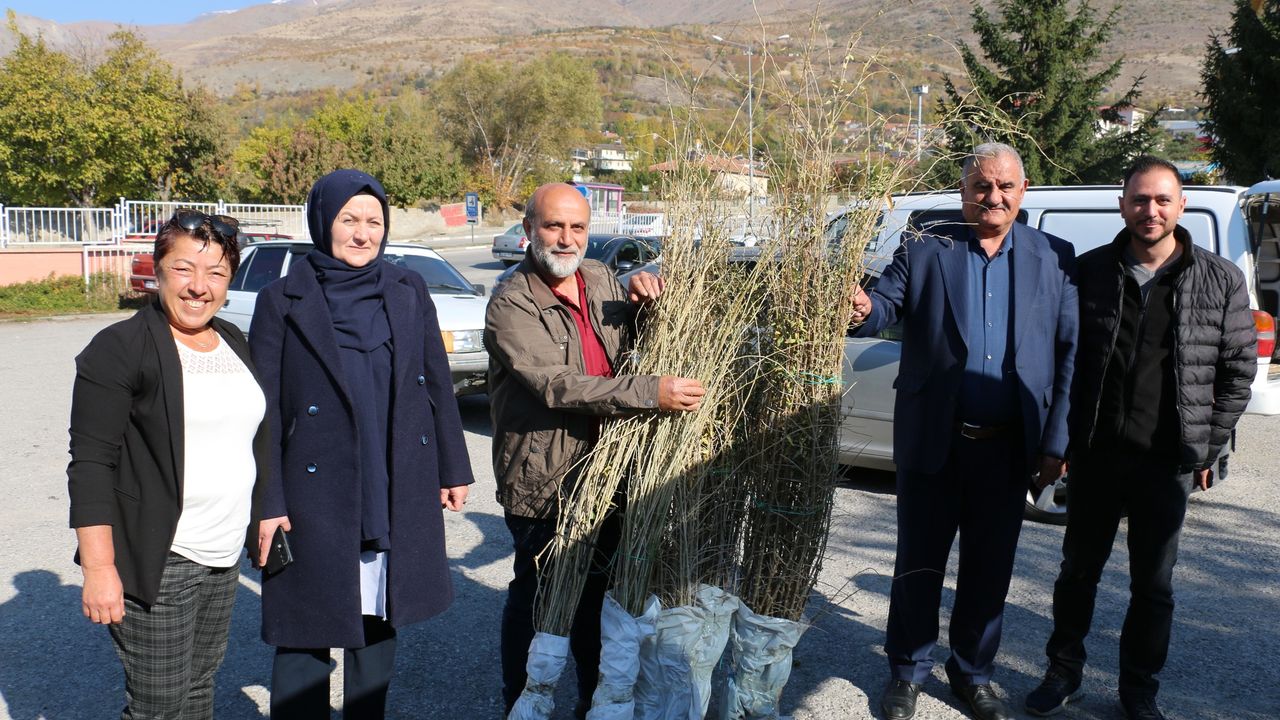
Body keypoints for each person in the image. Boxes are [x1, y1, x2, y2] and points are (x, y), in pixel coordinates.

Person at [850, 143, 1078, 720]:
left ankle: (972, 674)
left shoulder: (1054, 256)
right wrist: (858, 307)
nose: (992, 197)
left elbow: (1069, 353)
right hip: (935, 439)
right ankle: (906, 671)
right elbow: (885, 306)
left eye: (1004, 187)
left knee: (988, 569)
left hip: (1007, 447)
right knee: (919, 564)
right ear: (963, 192)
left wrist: (1057, 441)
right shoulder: (927, 247)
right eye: (981, 187)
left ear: (1022, 192)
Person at [1024, 156, 1256, 720]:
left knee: (1153, 587)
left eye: (1161, 200)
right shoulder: (1091, 272)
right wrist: (1059, 444)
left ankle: (1138, 689)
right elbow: (1065, 362)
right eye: (1139, 199)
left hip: (1165, 462)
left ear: (1180, 206)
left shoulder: (1220, 278)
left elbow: (1237, 371)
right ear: (1122, 204)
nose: (1149, 210)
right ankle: (1063, 671)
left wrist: (1208, 443)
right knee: (1077, 573)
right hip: (1097, 456)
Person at [250, 169, 474, 718]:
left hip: (393, 471)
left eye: (373, 221)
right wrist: (269, 503)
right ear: (322, 221)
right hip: (313, 488)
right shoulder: (282, 299)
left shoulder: (406, 289)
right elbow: (264, 414)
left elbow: (435, 380)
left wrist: (454, 465)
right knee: (304, 631)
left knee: (378, 615)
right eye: (349, 219)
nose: (362, 233)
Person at [485, 182, 704, 717]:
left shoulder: (601, 278)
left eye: (577, 227)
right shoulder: (511, 302)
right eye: (553, 226)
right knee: (538, 592)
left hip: (607, 471)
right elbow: (558, 385)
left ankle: (592, 702)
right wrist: (651, 393)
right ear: (528, 230)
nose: (565, 238)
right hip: (544, 475)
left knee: (595, 597)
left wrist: (648, 302)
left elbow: (628, 351)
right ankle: (520, 700)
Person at [67, 210, 269, 719]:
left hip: (222, 556)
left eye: (216, 273)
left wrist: (266, 512)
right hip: (162, 556)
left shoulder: (233, 341)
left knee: (199, 688)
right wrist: (98, 567)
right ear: (156, 271)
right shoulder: (120, 348)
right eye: (184, 269)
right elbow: (91, 464)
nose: (199, 287)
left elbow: (253, 440)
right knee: (158, 705)